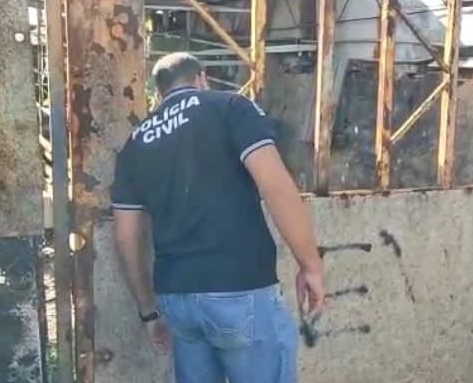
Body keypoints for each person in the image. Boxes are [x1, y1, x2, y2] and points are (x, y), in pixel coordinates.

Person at [111, 52, 324, 383]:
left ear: (159, 93)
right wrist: (310, 265)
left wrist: (148, 311)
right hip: (238, 287)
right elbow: (276, 186)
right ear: (201, 78)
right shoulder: (230, 107)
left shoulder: (135, 143)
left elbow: (125, 236)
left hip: (176, 298)